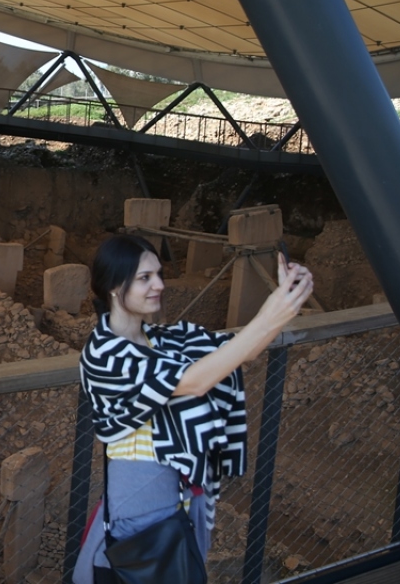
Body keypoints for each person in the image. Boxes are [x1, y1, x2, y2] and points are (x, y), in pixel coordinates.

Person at [77, 235, 312, 577]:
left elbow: (236, 352)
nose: (159, 285)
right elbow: (193, 380)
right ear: (114, 286)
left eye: (158, 274)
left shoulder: (165, 339)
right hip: (142, 506)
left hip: (183, 500)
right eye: (145, 278)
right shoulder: (103, 355)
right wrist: (272, 313)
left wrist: (286, 303)